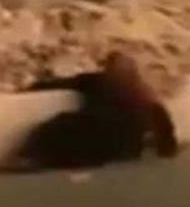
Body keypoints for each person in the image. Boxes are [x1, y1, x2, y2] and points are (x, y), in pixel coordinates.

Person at [18, 52, 179, 169]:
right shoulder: (143, 94)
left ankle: (33, 158)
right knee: (69, 127)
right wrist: (168, 148)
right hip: (126, 147)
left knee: (59, 126)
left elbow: (62, 83)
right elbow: (162, 122)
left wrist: (30, 89)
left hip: (99, 134)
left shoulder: (100, 81)